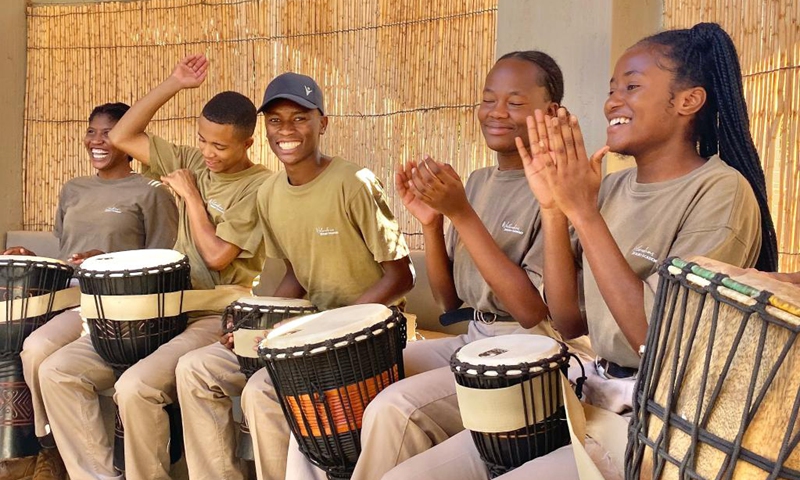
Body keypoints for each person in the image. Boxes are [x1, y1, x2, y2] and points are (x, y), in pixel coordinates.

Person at [382, 22, 776, 480]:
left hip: (650, 424)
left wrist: (582, 213)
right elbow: (569, 321)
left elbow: (654, 340)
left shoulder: (719, 191)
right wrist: (555, 209)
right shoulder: (610, 188)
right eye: (612, 89)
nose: (612, 101)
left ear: (688, 101)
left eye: (632, 87)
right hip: (584, 394)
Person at [331, 51, 591, 480]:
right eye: (489, 99)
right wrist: (433, 223)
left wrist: (462, 214)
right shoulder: (479, 182)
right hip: (473, 337)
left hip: (527, 354)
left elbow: (531, 313)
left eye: (515, 101)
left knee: (393, 408)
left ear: (552, 112)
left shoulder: (559, 191)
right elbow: (448, 299)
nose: (497, 112)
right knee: (350, 378)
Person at [37, 54, 270, 480]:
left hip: (213, 311)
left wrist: (192, 198)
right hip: (161, 308)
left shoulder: (261, 186)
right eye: (202, 140)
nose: (208, 153)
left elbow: (219, 256)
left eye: (220, 146)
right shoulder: (194, 161)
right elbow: (124, 135)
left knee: (135, 387)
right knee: (57, 371)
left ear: (247, 144)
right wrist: (174, 83)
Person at [174, 71, 414, 480]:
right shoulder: (269, 193)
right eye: (275, 120)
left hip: (366, 333)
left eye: (300, 118)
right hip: (305, 327)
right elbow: (295, 276)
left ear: (323, 123)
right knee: (195, 369)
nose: (286, 129)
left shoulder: (353, 182)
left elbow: (401, 275)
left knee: (262, 392)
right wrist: (255, 326)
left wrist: (327, 327)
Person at [1, 102, 178, 479]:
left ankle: (55, 453)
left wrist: (106, 260)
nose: (97, 141)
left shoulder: (151, 191)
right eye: (91, 131)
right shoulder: (73, 189)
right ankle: (52, 448)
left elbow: (165, 260)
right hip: (67, 297)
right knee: (29, 351)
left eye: (109, 133)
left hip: (117, 306)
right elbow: (66, 250)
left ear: (130, 139)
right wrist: (30, 256)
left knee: (38, 351)